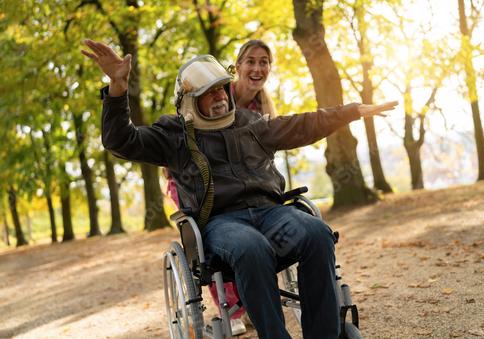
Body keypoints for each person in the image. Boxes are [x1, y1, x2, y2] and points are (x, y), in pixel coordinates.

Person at [82, 39, 397, 339]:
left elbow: (303, 124)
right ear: (190, 99)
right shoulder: (174, 134)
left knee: (317, 233)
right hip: (222, 224)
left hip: (270, 212)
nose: (220, 96)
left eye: (222, 88)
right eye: (210, 92)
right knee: (250, 247)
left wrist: (351, 111)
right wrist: (118, 88)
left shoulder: (251, 122)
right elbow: (121, 141)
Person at [163, 39, 277, 335]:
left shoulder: (263, 106)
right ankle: (234, 307)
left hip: (238, 187)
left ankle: (255, 299)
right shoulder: (217, 90)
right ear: (236, 67)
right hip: (193, 180)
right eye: (250, 61)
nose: (257, 68)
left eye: (264, 62)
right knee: (213, 231)